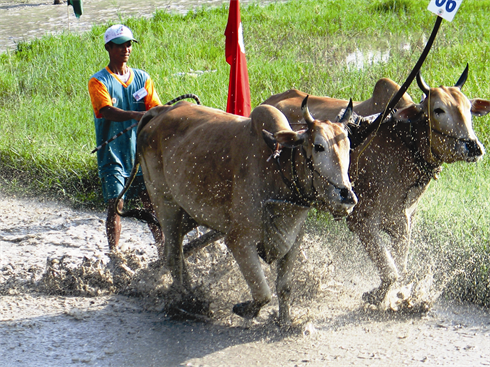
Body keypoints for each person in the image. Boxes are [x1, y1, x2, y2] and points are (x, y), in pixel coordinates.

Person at [88, 24, 163, 254]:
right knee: (116, 204)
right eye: (120, 45)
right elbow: (106, 111)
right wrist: (137, 115)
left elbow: (156, 109)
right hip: (113, 154)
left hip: (140, 154)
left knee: (150, 203)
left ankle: (163, 248)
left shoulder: (143, 78)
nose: (126, 49)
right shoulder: (98, 81)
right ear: (108, 48)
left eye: (129, 44)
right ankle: (114, 253)